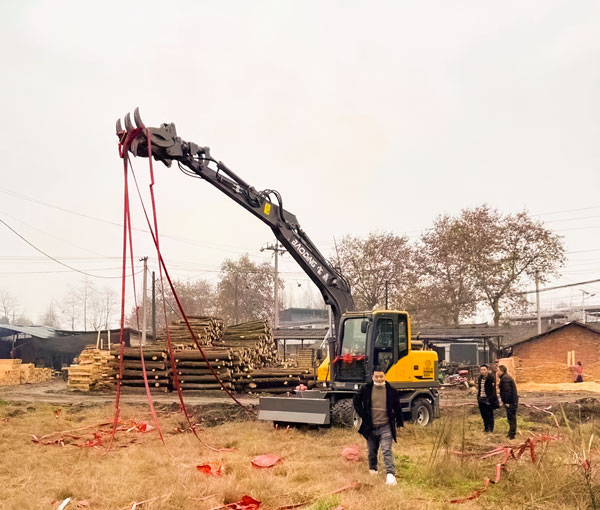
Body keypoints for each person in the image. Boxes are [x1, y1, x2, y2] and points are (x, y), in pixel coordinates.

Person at [353, 366, 404, 486]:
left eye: (381, 376)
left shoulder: (391, 390)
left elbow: (397, 407)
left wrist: (400, 422)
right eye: (377, 376)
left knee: (387, 450)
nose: (379, 378)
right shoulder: (366, 389)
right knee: (372, 451)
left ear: (385, 376)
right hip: (370, 426)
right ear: (372, 377)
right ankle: (373, 470)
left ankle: (390, 475)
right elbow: (356, 400)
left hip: (385, 426)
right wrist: (363, 414)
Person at [498, 365, 518, 439]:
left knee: (511, 417)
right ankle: (510, 433)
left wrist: (507, 402)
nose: (497, 372)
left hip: (510, 402)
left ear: (502, 371)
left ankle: (512, 435)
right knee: (511, 417)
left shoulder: (505, 379)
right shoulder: (505, 377)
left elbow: (507, 391)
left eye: (498, 371)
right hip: (512, 401)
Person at [477, 364, 499, 433]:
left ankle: (491, 429)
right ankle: (486, 428)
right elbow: (480, 388)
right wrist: (478, 397)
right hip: (481, 398)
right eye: (481, 370)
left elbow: (493, 391)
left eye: (484, 370)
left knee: (489, 414)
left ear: (487, 370)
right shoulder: (480, 378)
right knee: (483, 415)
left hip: (488, 399)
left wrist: (490, 400)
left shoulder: (491, 378)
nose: (483, 371)